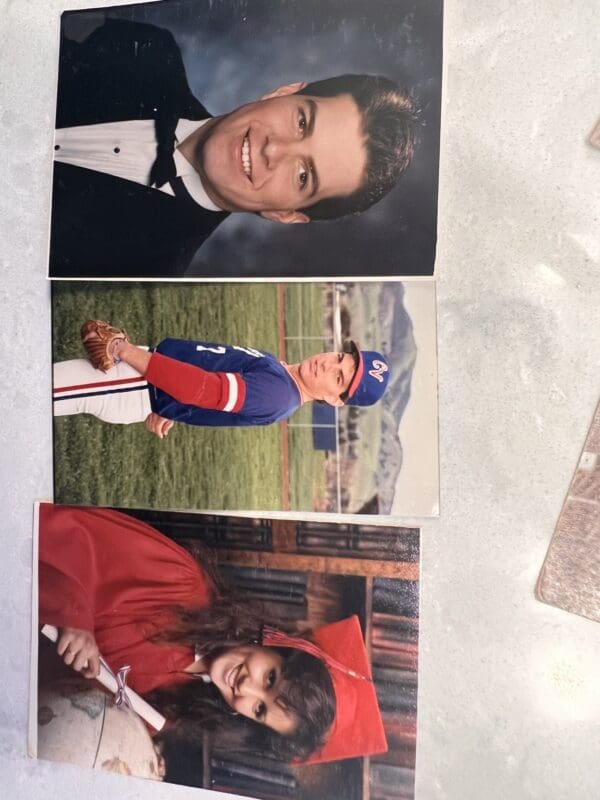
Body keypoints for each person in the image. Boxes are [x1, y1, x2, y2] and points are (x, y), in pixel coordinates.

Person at [50, 16, 418, 278]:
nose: (274, 151)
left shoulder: (142, 270)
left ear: (285, 214)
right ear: (284, 92)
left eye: (303, 175)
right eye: (301, 121)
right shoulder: (147, 49)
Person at [38, 503, 387, 764]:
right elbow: (66, 527)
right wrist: (75, 615)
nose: (245, 689)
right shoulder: (181, 582)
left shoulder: (174, 709)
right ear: (278, 644)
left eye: (260, 710)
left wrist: (135, 752)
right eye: (270, 678)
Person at [52, 321, 391, 436]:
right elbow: (212, 394)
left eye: (338, 378)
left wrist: (123, 349)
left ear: (334, 400)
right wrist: (172, 406)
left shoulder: (279, 395)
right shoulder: (283, 374)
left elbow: (202, 389)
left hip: (134, 384)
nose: (328, 365)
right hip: (148, 382)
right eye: (340, 359)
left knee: (39, 391)